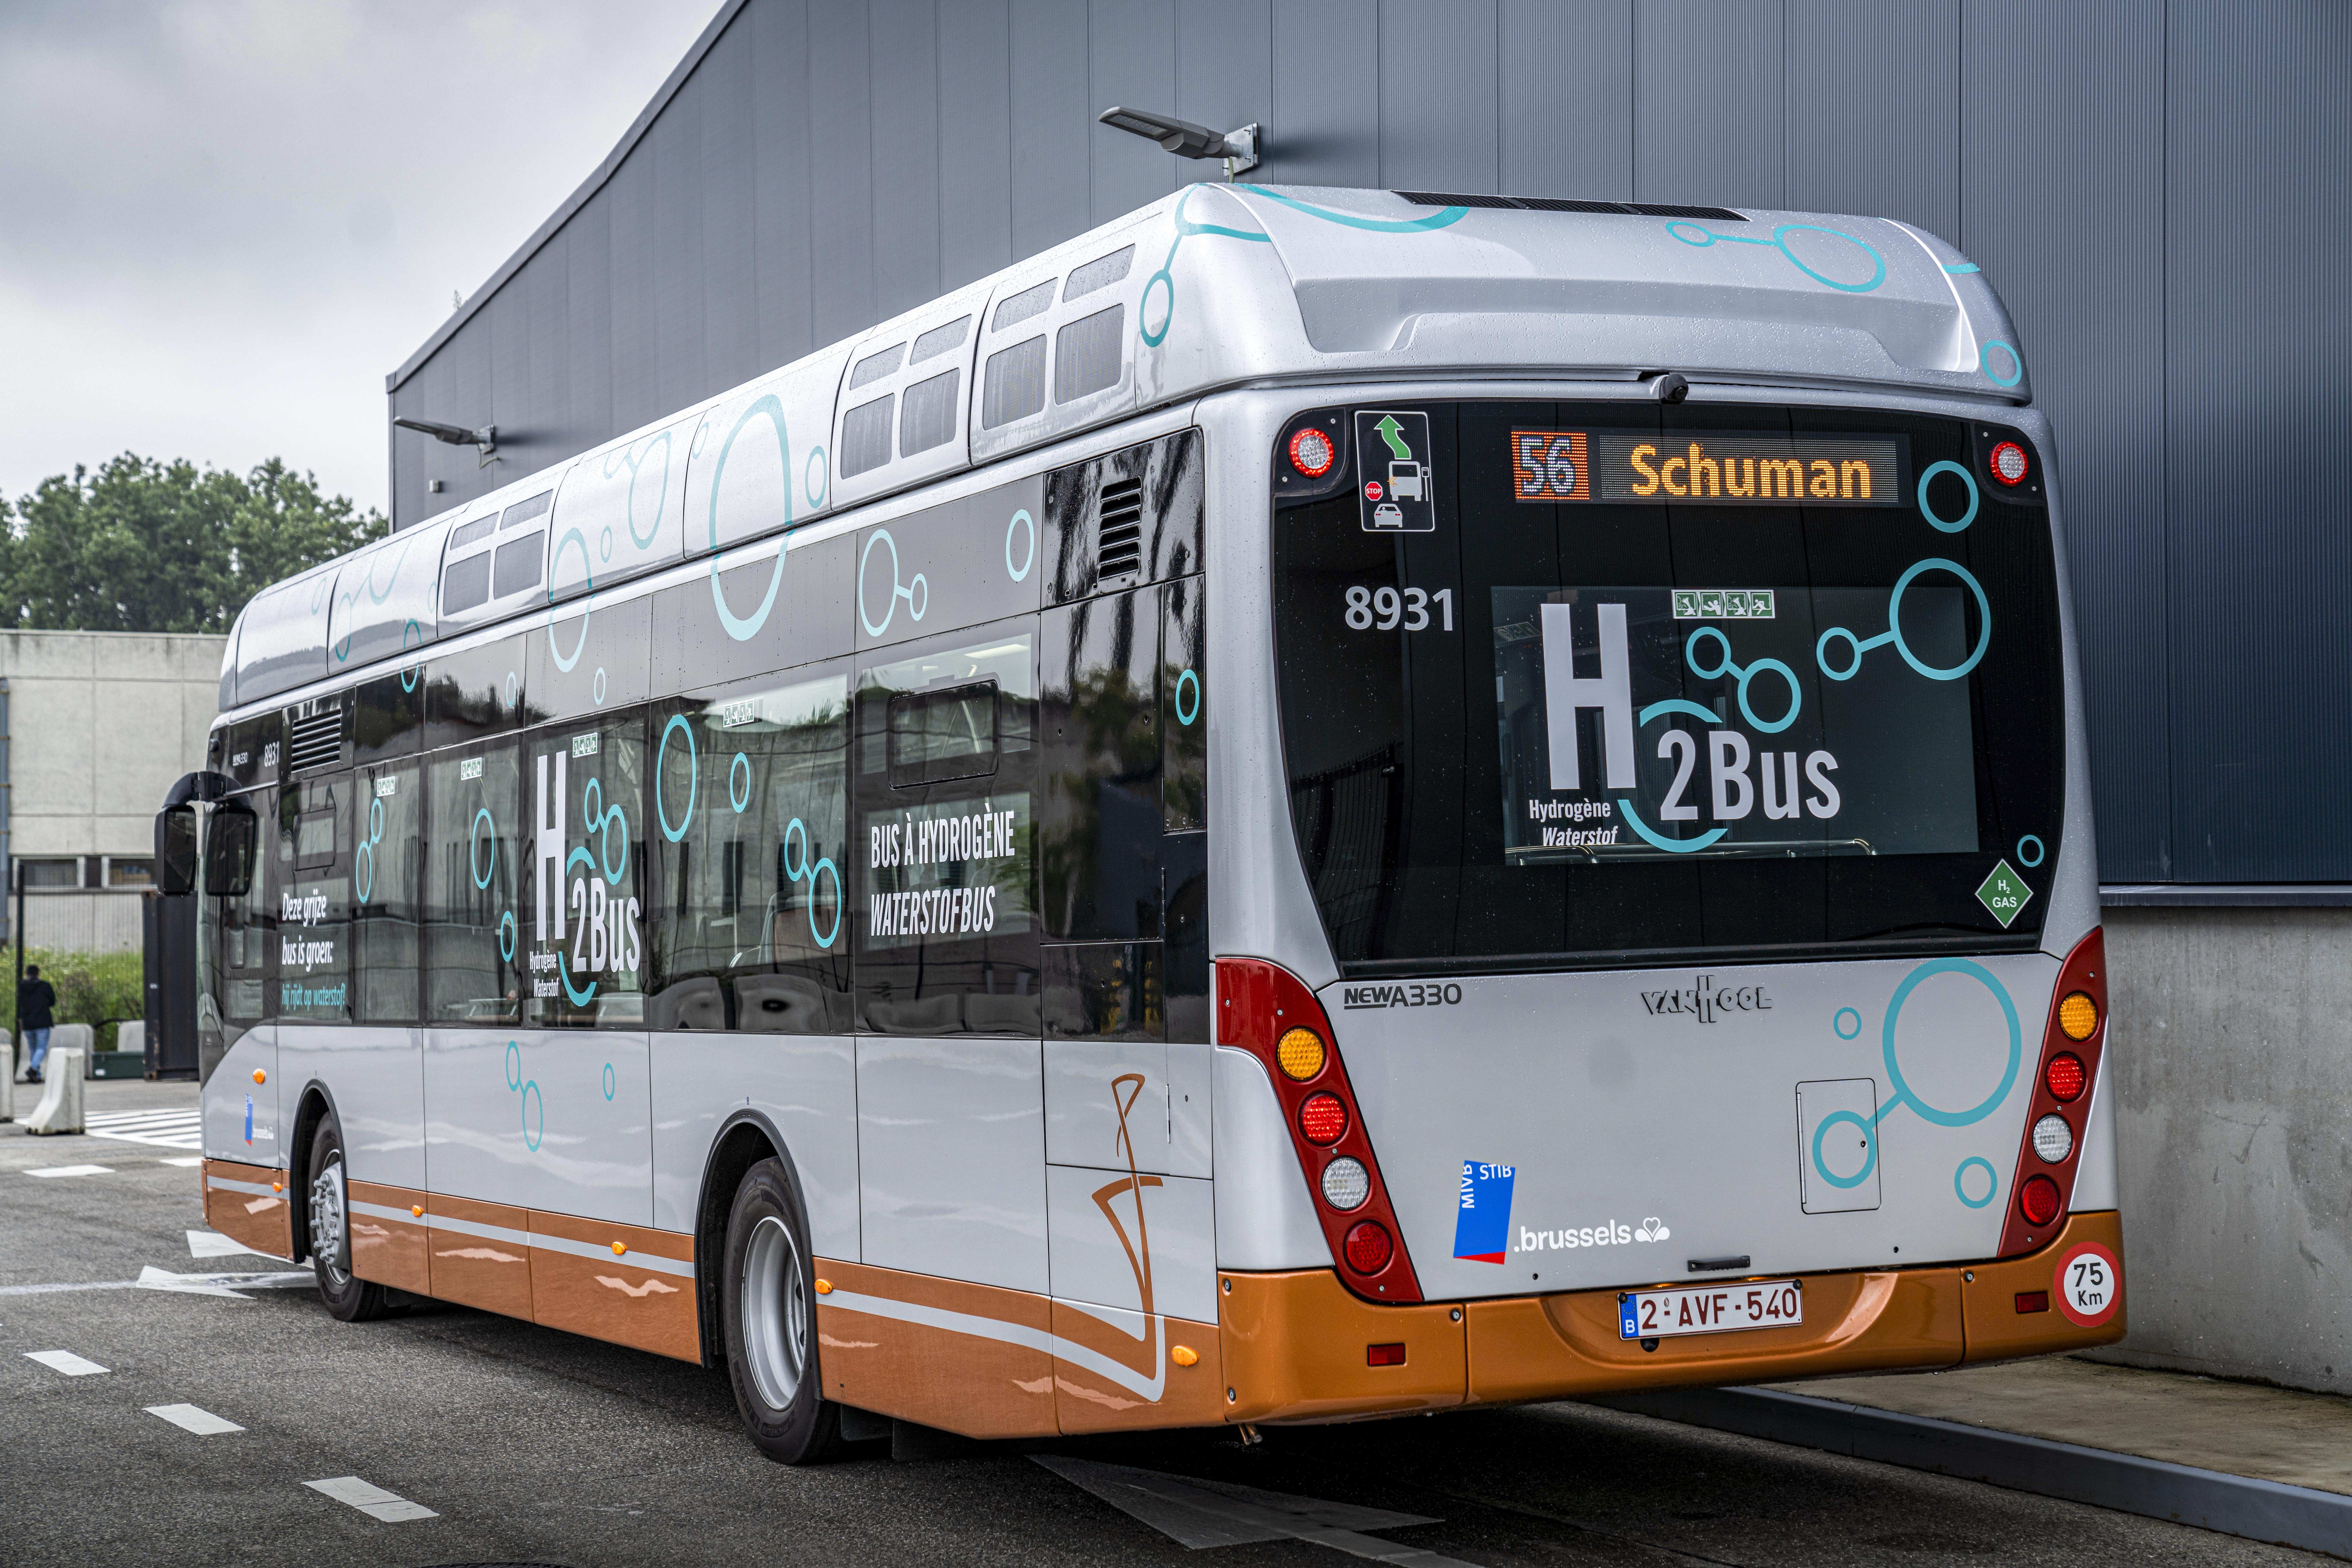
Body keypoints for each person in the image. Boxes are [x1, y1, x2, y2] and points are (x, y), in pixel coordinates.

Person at [19, 965, 56, 1083]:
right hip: (42, 1022)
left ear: (26, 975)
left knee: (33, 1050)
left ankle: (36, 1076)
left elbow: (20, 1003)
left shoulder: (22, 986)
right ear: (39, 974)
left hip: (28, 1023)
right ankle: (33, 1069)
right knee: (41, 1048)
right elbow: (52, 1001)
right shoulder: (45, 986)